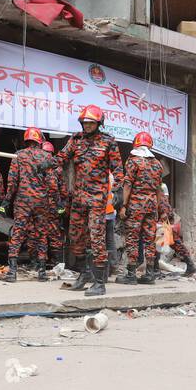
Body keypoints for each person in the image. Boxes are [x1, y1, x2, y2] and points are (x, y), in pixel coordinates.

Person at [58, 104, 123, 297]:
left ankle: (99, 282)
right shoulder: (75, 140)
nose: (87, 126)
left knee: (96, 238)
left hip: (97, 198)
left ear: (98, 123)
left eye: (90, 123)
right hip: (78, 198)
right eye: (84, 123)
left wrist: (118, 189)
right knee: (76, 237)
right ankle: (84, 274)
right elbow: (62, 157)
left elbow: (118, 167)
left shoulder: (108, 141)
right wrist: (44, 163)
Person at [1, 128, 54, 282]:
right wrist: (57, 202)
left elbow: (12, 180)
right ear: (39, 140)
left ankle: (12, 271)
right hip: (41, 201)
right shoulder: (46, 156)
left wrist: (6, 201)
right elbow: (52, 182)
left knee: (18, 232)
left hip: (23, 200)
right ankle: (42, 272)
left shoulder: (19, 155)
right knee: (42, 234)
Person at [119, 132, 164, 285]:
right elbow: (159, 189)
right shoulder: (157, 164)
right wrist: (157, 208)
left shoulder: (133, 161)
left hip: (135, 205)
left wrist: (124, 205)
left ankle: (131, 275)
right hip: (152, 206)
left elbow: (127, 185)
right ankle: (150, 274)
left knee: (132, 238)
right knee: (150, 239)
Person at [158, 183, 196, 276]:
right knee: (167, 242)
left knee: (170, 241)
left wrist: (163, 213)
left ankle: (191, 265)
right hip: (163, 213)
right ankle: (191, 265)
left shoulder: (160, 185)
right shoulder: (157, 183)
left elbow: (164, 199)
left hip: (163, 213)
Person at [41, 140, 65, 266]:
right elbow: (63, 189)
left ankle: (43, 261)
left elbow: (56, 187)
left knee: (41, 231)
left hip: (45, 205)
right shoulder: (57, 169)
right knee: (53, 232)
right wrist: (62, 204)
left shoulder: (42, 167)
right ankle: (54, 261)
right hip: (52, 205)